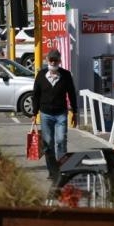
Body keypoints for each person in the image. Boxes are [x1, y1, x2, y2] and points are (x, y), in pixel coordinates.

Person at [31, 48, 78, 179]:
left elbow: (72, 94)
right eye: (51, 59)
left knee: (61, 141)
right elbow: (36, 94)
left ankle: (62, 170)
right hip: (45, 114)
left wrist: (75, 111)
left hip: (61, 114)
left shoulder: (66, 75)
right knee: (48, 144)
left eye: (55, 60)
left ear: (59, 60)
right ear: (47, 60)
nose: (53, 62)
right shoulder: (41, 75)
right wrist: (34, 113)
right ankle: (52, 172)